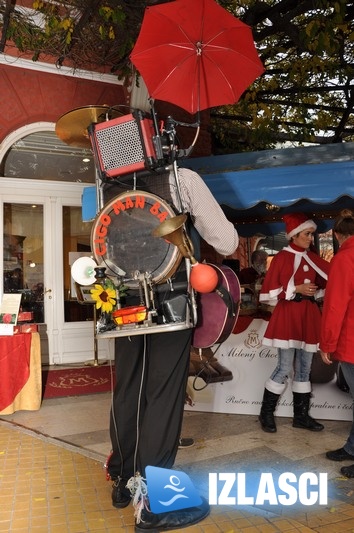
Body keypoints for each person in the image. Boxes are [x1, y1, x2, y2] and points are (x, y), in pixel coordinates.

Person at [106, 165, 239, 532]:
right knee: (163, 395)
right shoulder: (181, 178)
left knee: (129, 389)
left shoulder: (108, 183)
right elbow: (226, 242)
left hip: (123, 303)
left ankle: (122, 479)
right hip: (172, 303)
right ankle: (153, 500)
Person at [258, 212, 329, 433]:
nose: (310, 238)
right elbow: (269, 291)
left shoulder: (313, 257)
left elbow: (331, 278)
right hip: (288, 316)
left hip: (308, 316)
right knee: (283, 367)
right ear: (295, 235)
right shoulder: (281, 257)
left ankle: (301, 417)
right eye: (307, 234)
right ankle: (265, 414)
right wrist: (295, 289)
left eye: (311, 234)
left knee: (305, 369)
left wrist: (314, 291)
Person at [319, 209, 354, 478]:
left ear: (338, 235)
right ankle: (352, 447)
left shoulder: (345, 258)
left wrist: (327, 344)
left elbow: (334, 307)